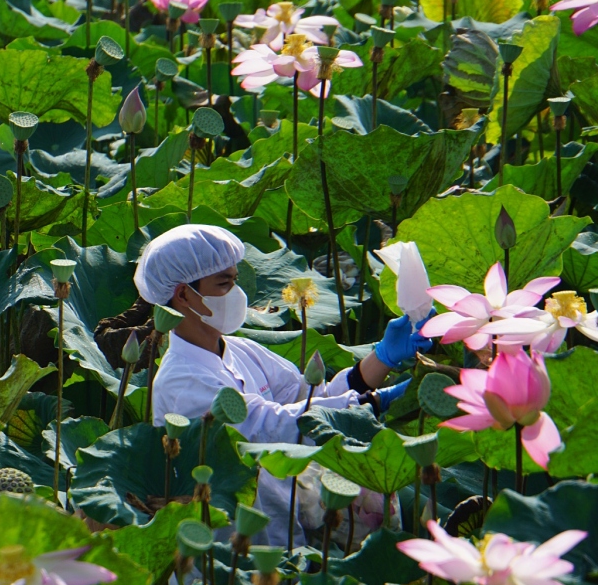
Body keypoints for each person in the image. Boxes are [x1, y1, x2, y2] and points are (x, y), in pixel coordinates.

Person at [135, 224, 433, 548]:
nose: (237, 293)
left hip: (290, 522)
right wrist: (374, 402)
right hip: (231, 549)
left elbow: (310, 399)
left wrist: (382, 358)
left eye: (235, 280)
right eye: (224, 283)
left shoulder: (243, 350)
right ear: (183, 295)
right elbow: (271, 427)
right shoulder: (181, 380)